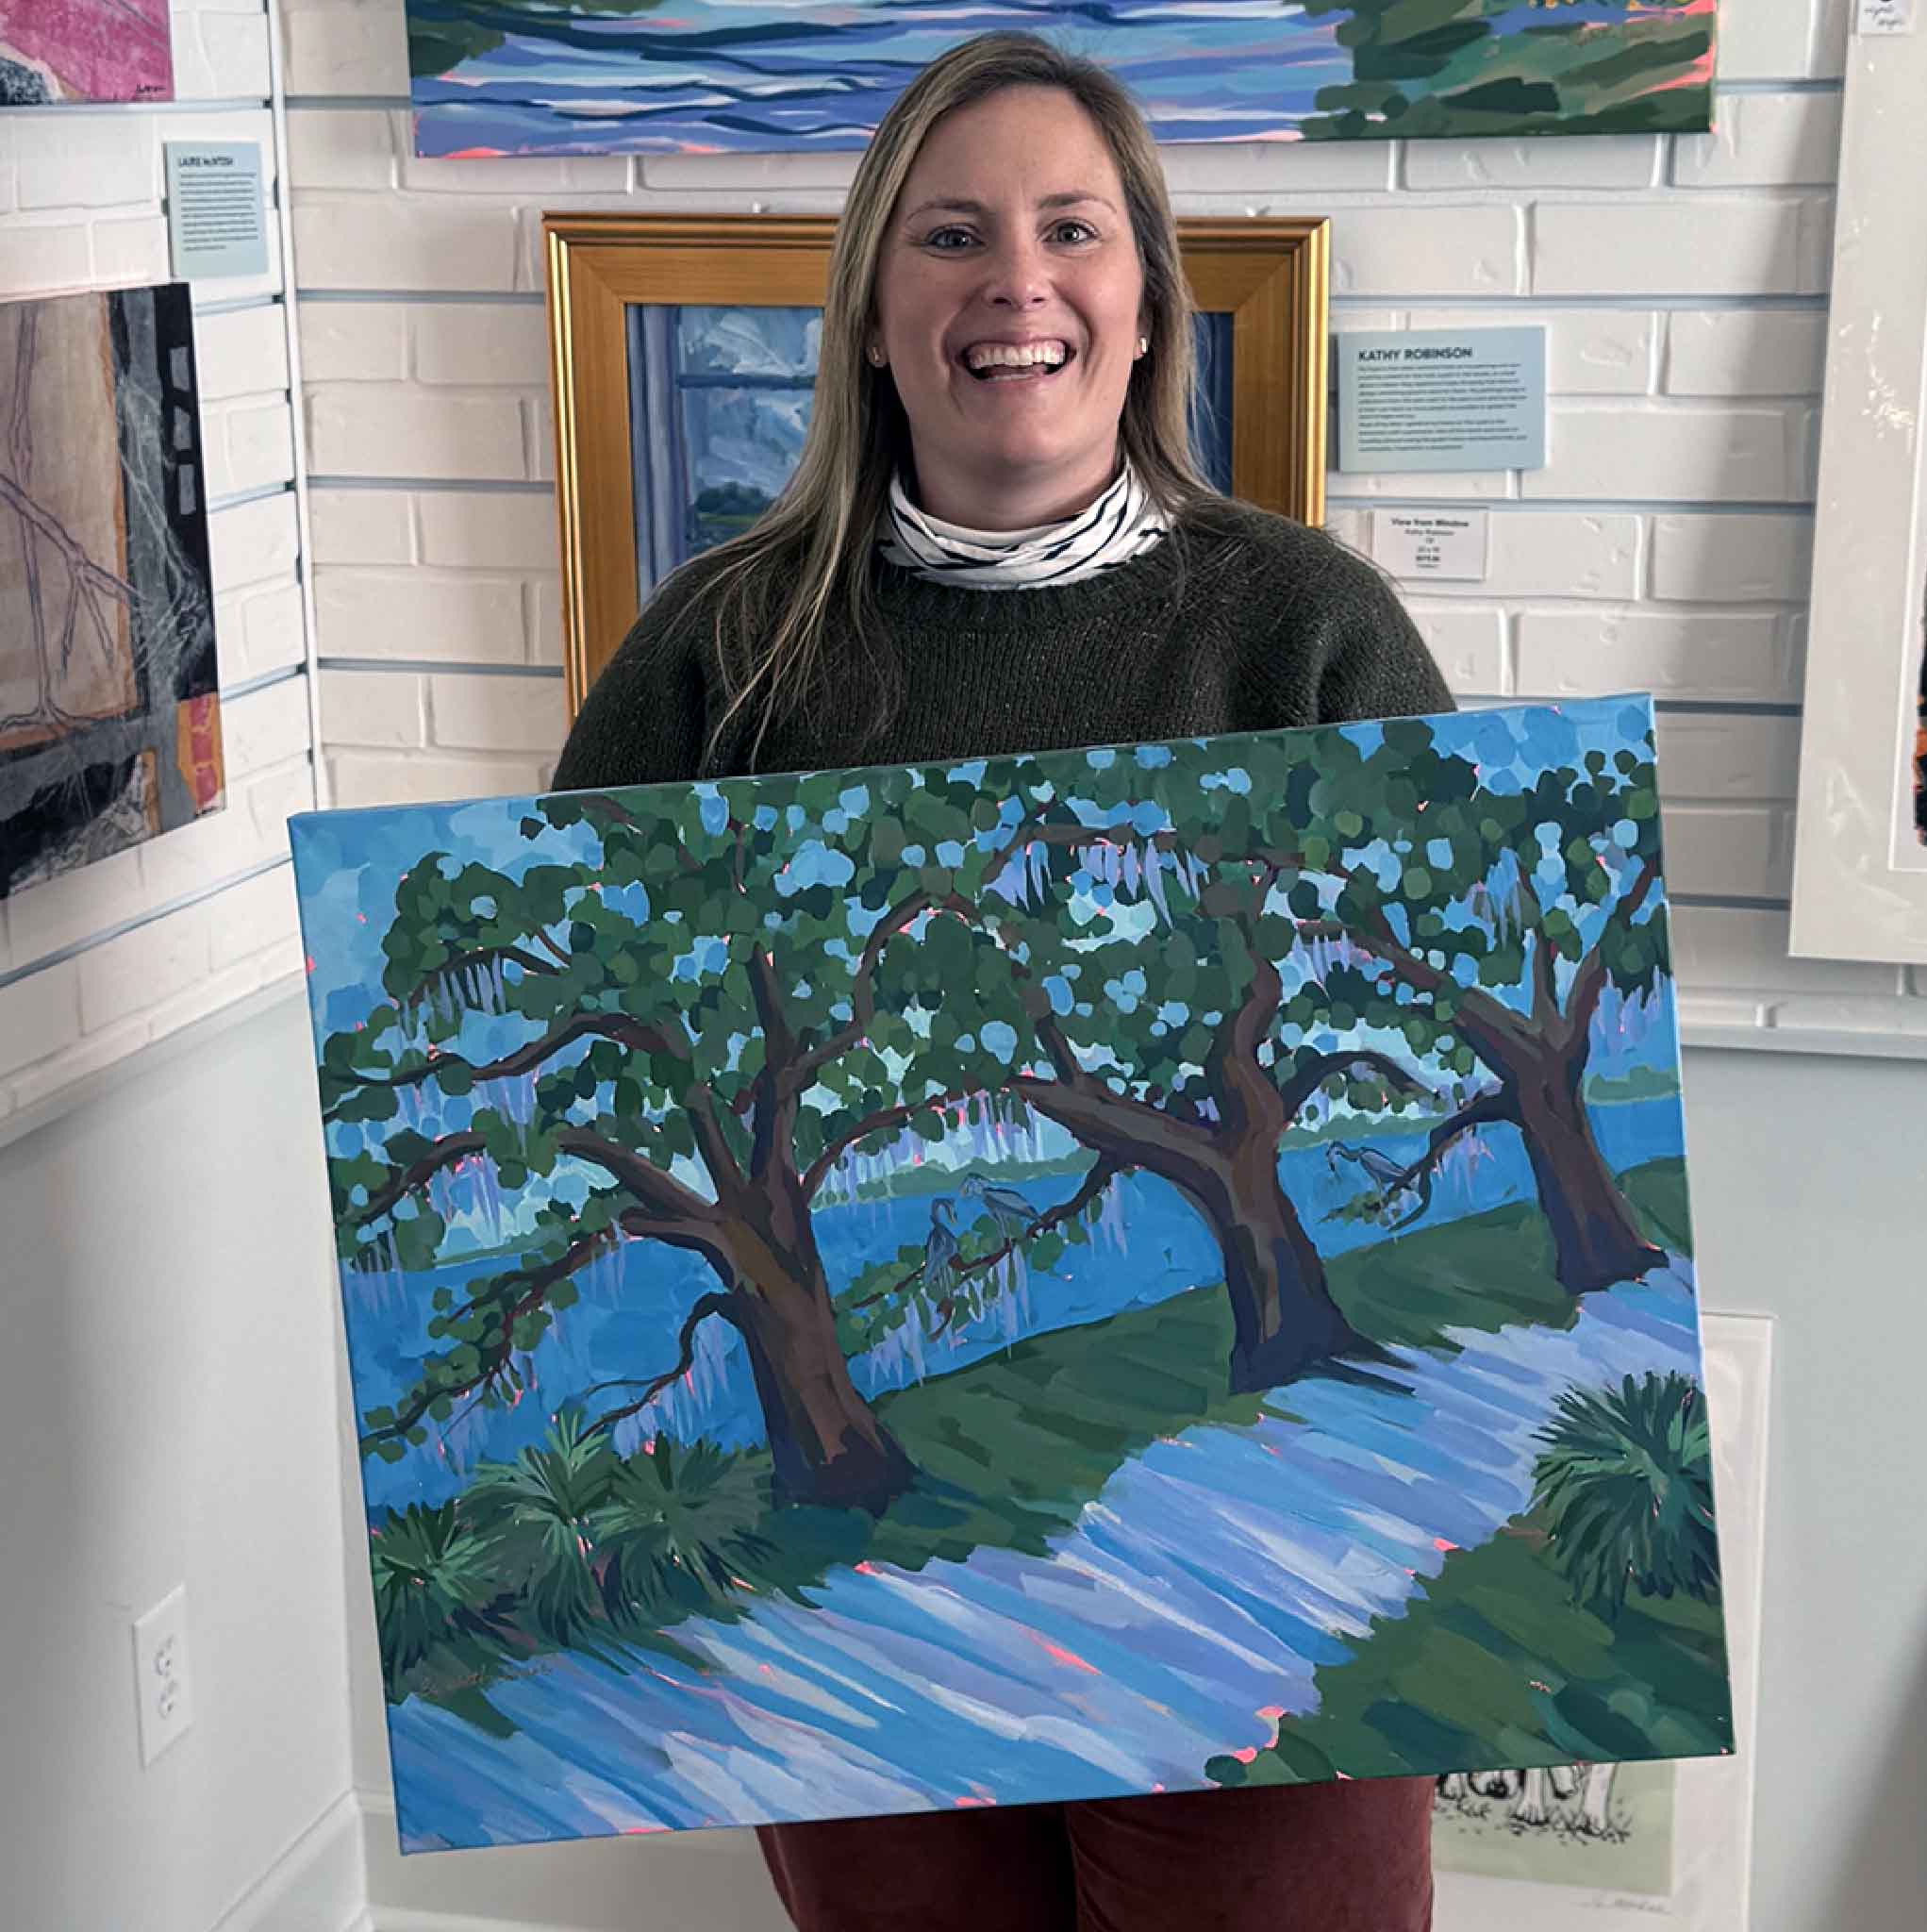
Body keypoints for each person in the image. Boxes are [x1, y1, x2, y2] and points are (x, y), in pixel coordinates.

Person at [554, 30, 1448, 1932]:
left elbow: (1429, 1104)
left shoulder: (1304, 634)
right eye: (949, 235)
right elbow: (581, 1102)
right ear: (874, 317)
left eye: (1070, 231)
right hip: (857, 1596)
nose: (1013, 283)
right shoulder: (721, 653)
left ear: (1143, 310)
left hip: (1263, 1576)